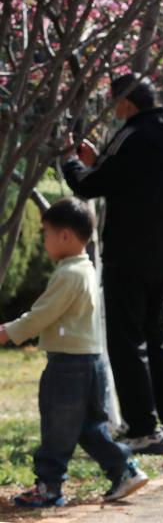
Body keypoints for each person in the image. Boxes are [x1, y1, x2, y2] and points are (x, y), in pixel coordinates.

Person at [61, 73, 163, 455]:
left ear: (127, 103)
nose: (113, 109)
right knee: (156, 339)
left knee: (125, 342)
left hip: (128, 255)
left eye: (114, 101)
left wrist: (73, 165)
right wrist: (98, 163)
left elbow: (90, 185)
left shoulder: (133, 134)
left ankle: (143, 428)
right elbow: (129, 178)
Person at [0, 198, 148, 508]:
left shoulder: (68, 273)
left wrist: (9, 332)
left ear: (65, 235)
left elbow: (42, 314)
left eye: (46, 234)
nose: (44, 241)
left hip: (67, 366)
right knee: (88, 428)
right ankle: (124, 470)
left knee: (56, 427)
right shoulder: (86, 269)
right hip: (90, 363)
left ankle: (49, 487)